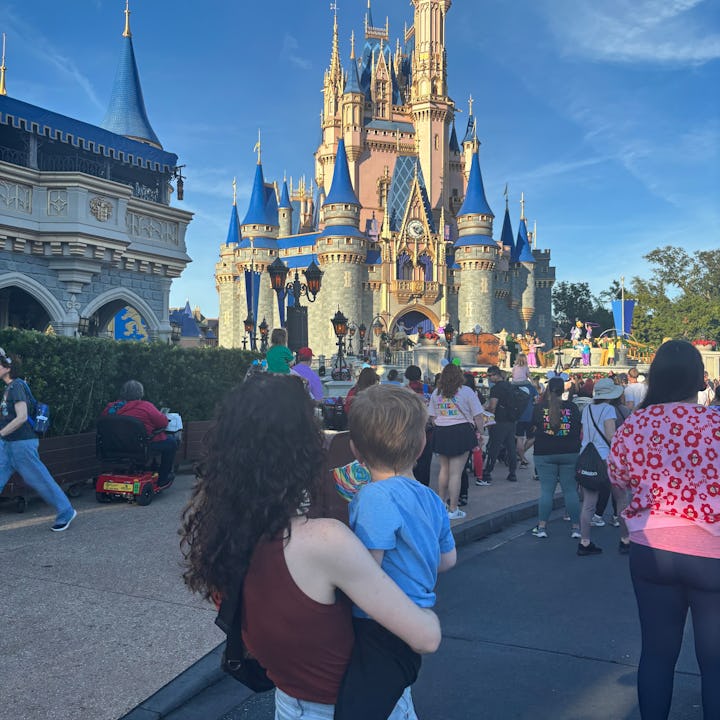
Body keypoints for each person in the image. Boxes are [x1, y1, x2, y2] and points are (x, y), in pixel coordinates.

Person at [180, 374, 441, 720]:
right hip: (357, 705)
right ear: (303, 450)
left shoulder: (222, 537)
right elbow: (425, 639)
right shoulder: (324, 542)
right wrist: (429, 614)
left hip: (291, 703)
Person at [608, 340, 720, 720]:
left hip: (652, 546)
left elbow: (618, 479)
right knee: (715, 661)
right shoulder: (716, 424)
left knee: (656, 654)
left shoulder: (636, 424)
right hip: (711, 550)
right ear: (699, 380)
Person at [335, 384, 456, 719]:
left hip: (378, 624)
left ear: (355, 448)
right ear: (420, 446)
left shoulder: (374, 497)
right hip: (413, 616)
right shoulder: (430, 498)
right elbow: (448, 559)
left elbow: (367, 569)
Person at [0, 349, 77, 531]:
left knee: (40, 479)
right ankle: (65, 510)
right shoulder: (8, 388)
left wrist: (1, 433)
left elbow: (21, 417)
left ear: (7, 367)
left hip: (21, 444)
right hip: (9, 444)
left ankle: (66, 511)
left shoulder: (17, 386)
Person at [577, 378, 630, 556]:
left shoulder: (587, 409)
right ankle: (625, 540)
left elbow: (584, 433)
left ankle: (584, 542)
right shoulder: (608, 410)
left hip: (587, 457)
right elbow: (610, 435)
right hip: (606, 458)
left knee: (588, 504)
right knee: (620, 499)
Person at [428, 363, 484, 518]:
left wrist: (442, 423)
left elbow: (432, 416)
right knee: (456, 473)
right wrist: (481, 432)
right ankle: (453, 508)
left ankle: (441, 504)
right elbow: (478, 415)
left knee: (444, 470)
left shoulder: (436, 393)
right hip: (461, 431)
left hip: (441, 431)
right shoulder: (466, 392)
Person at [530, 377, 581, 539]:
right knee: (570, 491)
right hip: (569, 452)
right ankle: (576, 528)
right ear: (563, 390)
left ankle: (542, 527)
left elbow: (532, 429)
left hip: (544, 453)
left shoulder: (538, 408)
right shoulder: (572, 407)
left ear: (548, 389)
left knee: (546, 491)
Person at [102, 380, 177, 488]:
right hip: (141, 446)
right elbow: (163, 423)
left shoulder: (110, 408)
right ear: (141, 393)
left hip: (115, 447)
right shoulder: (146, 406)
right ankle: (163, 478)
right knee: (171, 444)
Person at [480, 365, 519, 484]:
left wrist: (488, 420)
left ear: (495, 375)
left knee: (494, 447)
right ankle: (512, 473)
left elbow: (492, 406)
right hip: (511, 421)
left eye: (490, 375)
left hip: (499, 421)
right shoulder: (510, 386)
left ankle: (488, 472)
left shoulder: (496, 389)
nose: (489, 378)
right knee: (511, 447)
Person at [405, 365, 433, 487]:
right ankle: (424, 486)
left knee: (409, 460)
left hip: (409, 428)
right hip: (427, 429)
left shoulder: (404, 390)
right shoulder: (428, 388)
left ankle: (411, 485)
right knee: (426, 462)